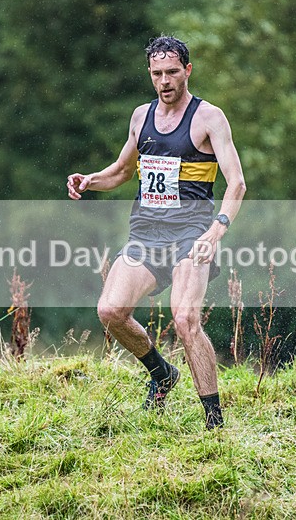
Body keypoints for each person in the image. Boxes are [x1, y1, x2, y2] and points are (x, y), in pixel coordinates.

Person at [66, 35, 246, 429]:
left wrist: (217, 230)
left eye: (172, 72)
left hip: (191, 236)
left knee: (185, 319)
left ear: (188, 71)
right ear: (150, 74)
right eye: (157, 74)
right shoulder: (140, 116)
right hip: (146, 235)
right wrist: (89, 180)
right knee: (110, 310)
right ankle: (162, 373)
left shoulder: (208, 118)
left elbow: (237, 185)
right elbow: (122, 171)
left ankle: (215, 425)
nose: (165, 81)